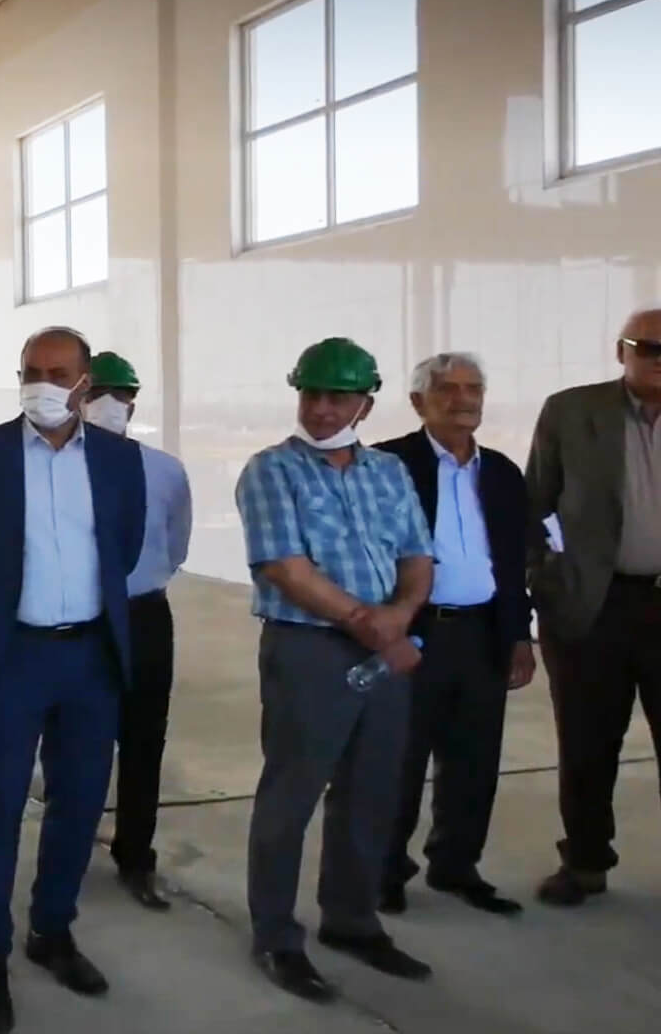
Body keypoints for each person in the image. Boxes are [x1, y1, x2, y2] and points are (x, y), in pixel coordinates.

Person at [0, 328, 146, 1034]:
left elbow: (124, 546)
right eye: (31, 372)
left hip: (91, 657)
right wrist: (1, 610)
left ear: (86, 383)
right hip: (12, 659)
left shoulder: (118, 459)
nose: (43, 386)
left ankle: (51, 930)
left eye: (58, 373)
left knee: (78, 804)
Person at [234, 337, 434, 1003]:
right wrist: (370, 624)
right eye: (312, 394)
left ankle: (351, 920)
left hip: (383, 645)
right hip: (309, 650)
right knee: (291, 793)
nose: (321, 409)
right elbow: (286, 568)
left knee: (371, 789)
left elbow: (417, 555)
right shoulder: (272, 471)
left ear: (365, 404)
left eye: (338, 397)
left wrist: (400, 614)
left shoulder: (388, 472)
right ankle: (276, 936)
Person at [525, 307, 661, 935]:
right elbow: (535, 504)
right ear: (622, 350)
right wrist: (549, 581)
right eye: (649, 346)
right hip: (597, 607)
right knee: (587, 745)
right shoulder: (571, 411)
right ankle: (585, 864)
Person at [373, 354, 533, 917]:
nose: (463, 399)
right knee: (398, 760)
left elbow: (513, 562)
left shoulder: (502, 473)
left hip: (482, 634)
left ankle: (456, 865)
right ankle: (383, 871)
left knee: (474, 760)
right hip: (414, 634)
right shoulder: (387, 465)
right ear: (418, 401)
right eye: (447, 388)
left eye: (474, 388)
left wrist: (519, 635)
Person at [82, 350, 193, 911]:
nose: (107, 404)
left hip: (144, 614)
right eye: (95, 392)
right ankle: (70, 845)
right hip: (81, 617)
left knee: (144, 740)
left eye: (118, 394)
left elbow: (176, 546)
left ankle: (135, 855)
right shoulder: (59, 470)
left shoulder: (165, 470)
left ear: (133, 403)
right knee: (78, 740)